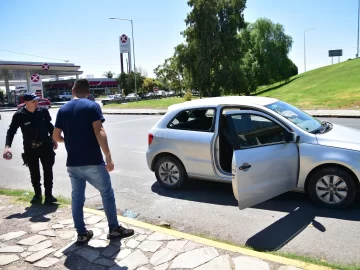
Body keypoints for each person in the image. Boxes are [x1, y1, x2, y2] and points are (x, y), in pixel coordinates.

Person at [53, 79, 134, 245]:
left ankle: (82, 234)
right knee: (106, 193)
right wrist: (108, 156)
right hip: (92, 161)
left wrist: (66, 140)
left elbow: (55, 137)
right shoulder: (92, 106)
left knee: (77, 198)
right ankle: (113, 229)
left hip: (73, 164)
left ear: (73, 90)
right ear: (88, 92)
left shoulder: (62, 109)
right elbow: (99, 131)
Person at [3, 92, 58, 204]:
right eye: (33, 101)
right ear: (26, 102)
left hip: (45, 146)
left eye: (37, 100)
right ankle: (37, 195)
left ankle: (49, 196)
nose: (36, 102)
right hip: (30, 148)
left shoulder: (43, 111)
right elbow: (11, 131)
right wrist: (7, 146)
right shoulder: (19, 115)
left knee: (48, 171)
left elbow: (49, 126)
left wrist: (54, 139)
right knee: (34, 172)